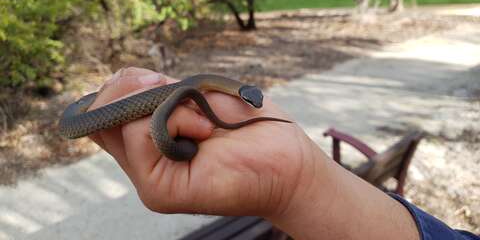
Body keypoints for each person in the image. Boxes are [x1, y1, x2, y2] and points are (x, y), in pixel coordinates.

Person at [88, 67, 479, 240]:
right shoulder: (206, 88)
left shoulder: (215, 93)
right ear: (238, 92)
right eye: (249, 101)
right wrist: (298, 183)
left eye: (252, 102)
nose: (254, 105)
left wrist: (296, 182)